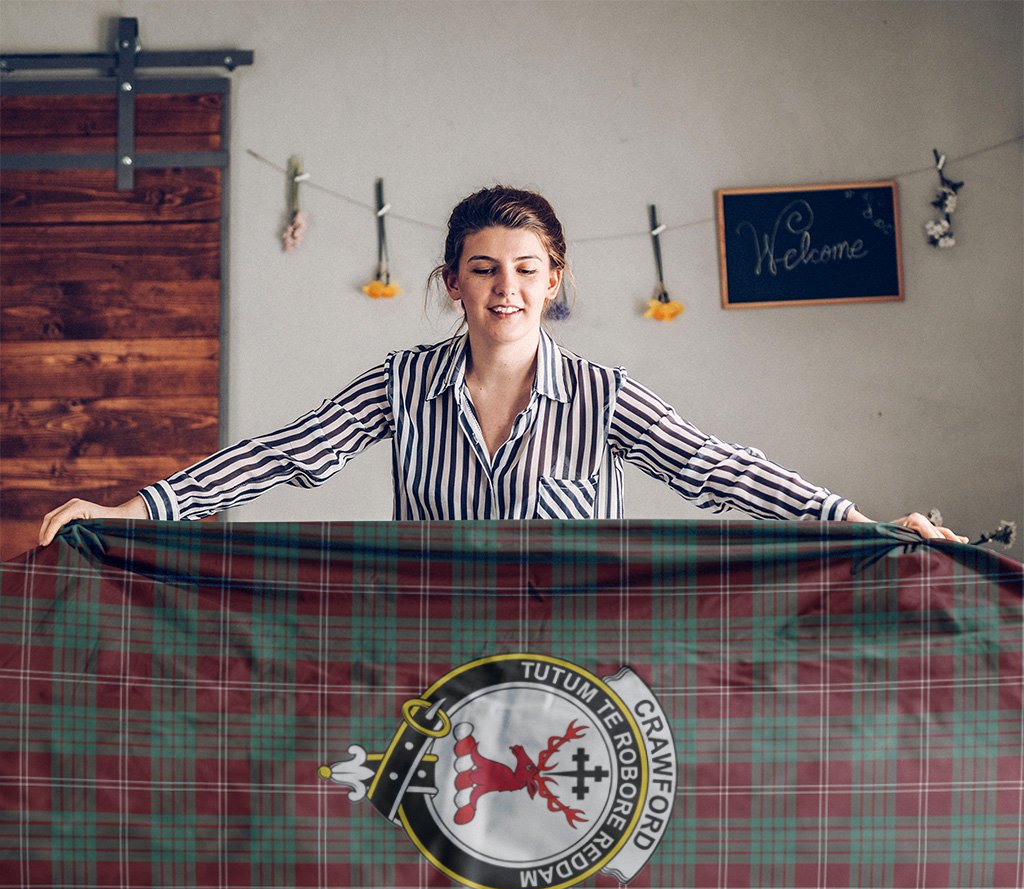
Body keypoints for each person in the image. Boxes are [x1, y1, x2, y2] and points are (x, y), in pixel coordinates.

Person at [38, 186, 967, 546]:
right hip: (433, 658)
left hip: (580, 663)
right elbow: (284, 455)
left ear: (555, 281)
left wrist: (861, 523)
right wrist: (135, 511)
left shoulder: (603, 397)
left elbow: (719, 468)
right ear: (453, 283)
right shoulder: (402, 382)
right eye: (484, 270)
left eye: (527, 271)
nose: (506, 289)